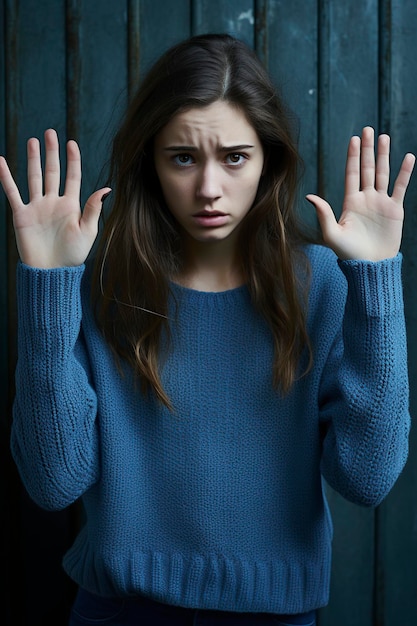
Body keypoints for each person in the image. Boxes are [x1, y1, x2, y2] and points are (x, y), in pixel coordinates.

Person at [0, 33, 415, 626]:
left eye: (235, 157)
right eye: (184, 158)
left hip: (275, 616)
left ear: (268, 158)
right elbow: (52, 481)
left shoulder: (320, 284)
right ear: (152, 161)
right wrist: (49, 283)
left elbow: (368, 478)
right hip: (116, 613)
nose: (210, 189)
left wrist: (375, 283)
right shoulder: (96, 286)